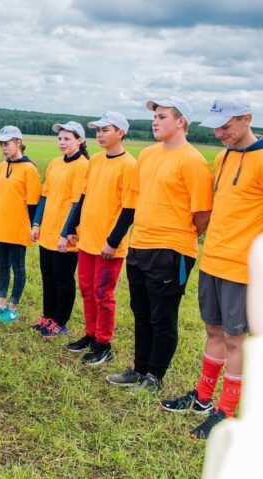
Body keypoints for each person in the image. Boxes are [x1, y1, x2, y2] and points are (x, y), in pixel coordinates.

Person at [160, 93, 263, 438]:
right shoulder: (222, 156)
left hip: (242, 268)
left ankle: (226, 411)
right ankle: (203, 397)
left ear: (247, 119)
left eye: (226, 126)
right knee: (214, 332)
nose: (220, 133)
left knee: (235, 339)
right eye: (216, 127)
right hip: (213, 259)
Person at [106, 97, 213, 392]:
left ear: (181, 121)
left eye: (162, 116)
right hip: (140, 244)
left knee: (162, 316)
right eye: (154, 116)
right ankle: (139, 369)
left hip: (172, 250)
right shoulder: (148, 154)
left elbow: (203, 215)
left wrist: (177, 234)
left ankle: (155, 376)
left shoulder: (193, 162)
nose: (155, 121)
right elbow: (136, 199)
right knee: (140, 312)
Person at [63, 112, 136, 365]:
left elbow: (129, 209)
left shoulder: (129, 165)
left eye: (106, 130)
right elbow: (83, 197)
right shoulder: (95, 160)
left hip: (108, 245)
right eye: (98, 130)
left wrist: (113, 241)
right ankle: (90, 334)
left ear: (120, 133)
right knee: (87, 290)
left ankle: (103, 344)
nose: (100, 134)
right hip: (87, 240)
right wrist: (72, 226)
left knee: (103, 294)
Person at [31, 121, 89, 337]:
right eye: (60, 138)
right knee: (47, 276)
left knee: (63, 279)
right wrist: (36, 223)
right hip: (47, 232)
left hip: (65, 236)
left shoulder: (82, 166)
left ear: (80, 140)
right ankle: (47, 317)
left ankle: (60, 322)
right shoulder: (55, 163)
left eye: (67, 139)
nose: (62, 143)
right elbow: (44, 196)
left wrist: (65, 234)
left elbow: (77, 204)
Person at [0, 126, 41, 323]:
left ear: (18, 142)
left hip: (18, 227)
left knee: (18, 268)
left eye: (6, 143)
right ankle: (0, 304)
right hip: (1, 226)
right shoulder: (2, 166)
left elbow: (33, 203)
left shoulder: (29, 169)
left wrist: (35, 225)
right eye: (1, 144)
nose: (3, 148)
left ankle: (12, 308)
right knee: (3, 266)